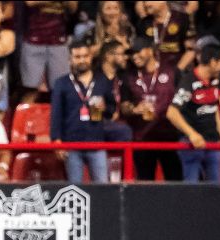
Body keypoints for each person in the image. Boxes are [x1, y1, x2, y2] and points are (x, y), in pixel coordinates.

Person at [50, 40, 116, 183]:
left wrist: (105, 108)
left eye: (85, 56)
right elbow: (56, 114)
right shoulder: (61, 83)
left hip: (97, 142)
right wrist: (56, 140)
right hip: (71, 144)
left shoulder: (102, 80)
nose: (82, 60)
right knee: (75, 190)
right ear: (70, 59)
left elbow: (112, 109)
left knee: (103, 187)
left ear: (91, 57)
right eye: (77, 57)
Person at [120, 37, 182, 181]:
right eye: (132, 53)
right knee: (145, 184)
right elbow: (124, 105)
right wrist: (134, 109)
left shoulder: (172, 71)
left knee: (175, 183)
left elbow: (183, 100)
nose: (134, 56)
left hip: (170, 137)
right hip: (142, 138)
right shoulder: (129, 76)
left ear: (150, 50)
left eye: (138, 51)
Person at [167, 44, 220, 183]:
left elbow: (213, 106)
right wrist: (192, 134)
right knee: (192, 189)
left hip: (213, 143)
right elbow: (172, 112)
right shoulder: (189, 82)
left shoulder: (215, 80)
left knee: (216, 189)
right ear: (213, 62)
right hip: (192, 144)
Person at [20, 1, 77, 104]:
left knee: (61, 89)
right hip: (33, 41)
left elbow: (73, 7)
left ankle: (59, 114)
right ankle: (25, 114)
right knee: (30, 90)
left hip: (58, 42)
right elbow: (30, 2)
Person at [136, 1, 195, 72]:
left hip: (177, 71)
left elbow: (191, 50)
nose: (146, 4)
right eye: (144, 1)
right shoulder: (143, 23)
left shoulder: (181, 18)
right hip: (153, 73)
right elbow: (141, 52)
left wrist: (177, 72)